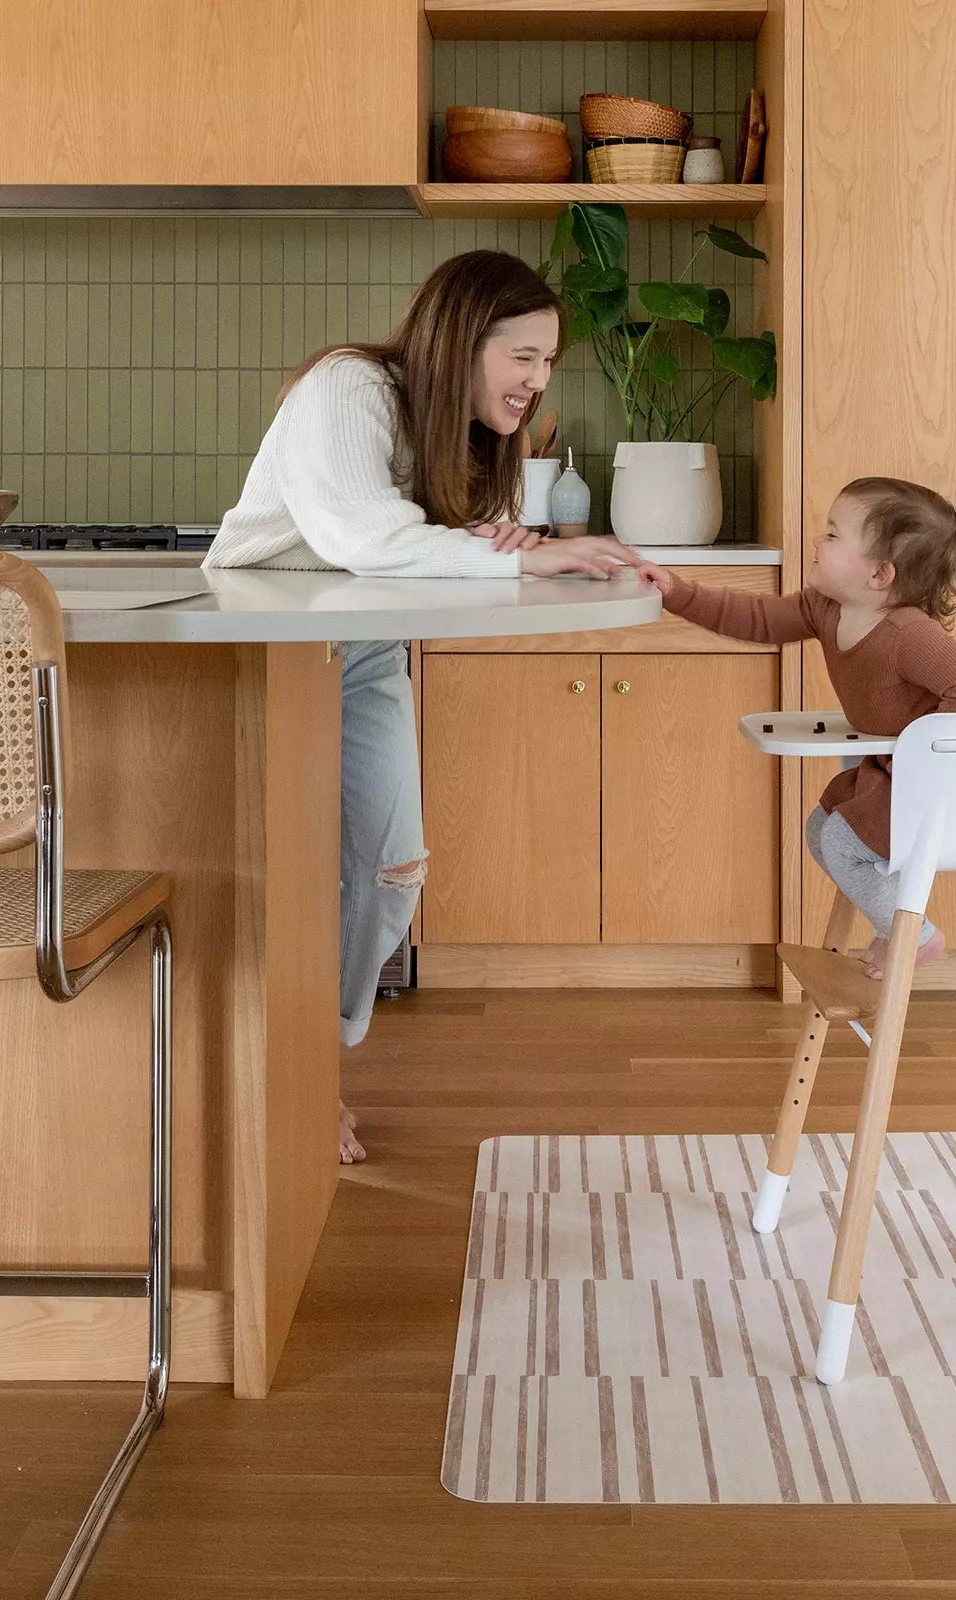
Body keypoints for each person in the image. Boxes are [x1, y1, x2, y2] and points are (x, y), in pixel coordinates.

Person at [205, 250, 642, 1160]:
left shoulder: (466, 432)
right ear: (460, 339)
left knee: (388, 870)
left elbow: (417, 543)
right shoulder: (347, 388)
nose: (537, 380)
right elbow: (357, 534)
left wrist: (485, 538)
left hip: (362, 647)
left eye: (548, 361)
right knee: (272, 875)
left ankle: (313, 1060)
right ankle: (287, 1082)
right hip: (266, 646)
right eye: (523, 356)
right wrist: (512, 555)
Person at [636, 477, 956, 980]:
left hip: (928, 783)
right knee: (820, 830)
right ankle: (896, 923)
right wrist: (677, 592)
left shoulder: (908, 634)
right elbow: (756, 619)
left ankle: (915, 934)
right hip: (887, 771)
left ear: (878, 574)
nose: (816, 542)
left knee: (845, 843)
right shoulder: (825, 608)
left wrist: (924, 757)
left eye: (832, 535)